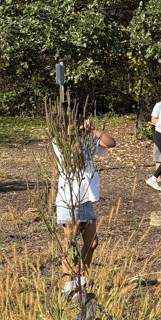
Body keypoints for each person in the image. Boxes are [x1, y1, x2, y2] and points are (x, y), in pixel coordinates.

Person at [54, 117, 116, 298]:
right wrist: (72, 130)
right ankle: (68, 284)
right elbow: (76, 158)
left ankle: (80, 278)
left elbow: (111, 143)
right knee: (70, 242)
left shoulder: (88, 139)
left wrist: (92, 130)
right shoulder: (60, 140)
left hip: (86, 198)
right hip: (69, 198)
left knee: (92, 243)